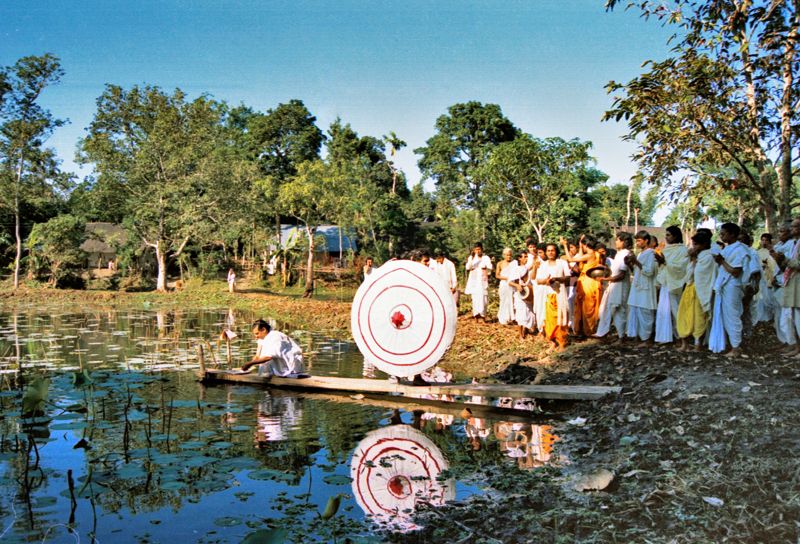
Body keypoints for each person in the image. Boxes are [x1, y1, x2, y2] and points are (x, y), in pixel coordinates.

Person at [708, 223, 747, 356]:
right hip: (724, 285)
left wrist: (721, 261)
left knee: (732, 316)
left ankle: (736, 348)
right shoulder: (728, 248)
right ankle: (731, 345)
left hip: (732, 285)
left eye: (724, 233)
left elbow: (735, 271)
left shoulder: (739, 250)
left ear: (732, 235)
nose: (721, 236)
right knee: (725, 315)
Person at [677, 231, 716, 351]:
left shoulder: (708, 257)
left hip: (701, 291)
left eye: (696, 245)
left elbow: (699, 274)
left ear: (703, 245)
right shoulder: (698, 257)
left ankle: (698, 344)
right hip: (690, 288)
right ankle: (685, 343)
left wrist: (694, 259)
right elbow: (688, 274)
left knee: (699, 317)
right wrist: (693, 259)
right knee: (684, 315)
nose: (694, 247)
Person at [653, 226, 689, 343]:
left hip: (675, 284)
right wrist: (661, 262)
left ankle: (681, 336)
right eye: (666, 235)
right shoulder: (666, 250)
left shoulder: (683, 250)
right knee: (663, 309)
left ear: (676, 236)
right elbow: (663, 267)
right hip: (665, 283)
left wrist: (665, 262)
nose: (666, 237)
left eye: (668, 235)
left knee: (676, 310)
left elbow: (681, 267)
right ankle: (665, 336)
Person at [595, 232, 633, 342]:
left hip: (620, 286)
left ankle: (622, 336)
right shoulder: (618, 254)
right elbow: (614, 272)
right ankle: (604, 333)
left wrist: (605, 279)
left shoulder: (626, 254)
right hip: (614, 285)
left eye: (617, 240)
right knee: (609, 309)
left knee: (620, 310)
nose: (616, 242)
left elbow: (621, 275)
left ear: (624, 242)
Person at [561, 235, 602, 337]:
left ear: (586, 245)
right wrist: (580, 244)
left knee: (588, 307)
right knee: (583, 306)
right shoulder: (596, 254)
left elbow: (570, 260)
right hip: (590, 281)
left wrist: (565, 246)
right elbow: (580, 257)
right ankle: (584, 329)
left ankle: (589, 330)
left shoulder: (590, 255)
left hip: (587, 282)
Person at [772, 217, 800, 356]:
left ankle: (796, 347)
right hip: (789, 282)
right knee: (790, 317)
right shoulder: (795, 243)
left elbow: (797, 264)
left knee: (795, 317)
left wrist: (785, 260)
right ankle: (793, 345)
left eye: (795, 227)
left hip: (797, 284)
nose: (791, 230)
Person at [536, 243, 571, 351]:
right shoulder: (543, 265)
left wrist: (557, 279)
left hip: (560, 295)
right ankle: (553, 342)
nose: (550, 252)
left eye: (553, 250)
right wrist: (546, 281)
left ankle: (562, 343)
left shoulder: (562, 263)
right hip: (549, 295)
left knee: (560, 319)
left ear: (556, 252)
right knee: (549, 320)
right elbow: (538, 280)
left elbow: (568, 278)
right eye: (548, 250)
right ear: (546, 252)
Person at [625, 231, 658, 345]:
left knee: (645, 313)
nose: (637, 243)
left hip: (646, 288)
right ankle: (637, 336)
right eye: (636, 241)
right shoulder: (640, 254)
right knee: (634, 311)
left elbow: (649, 271)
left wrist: (636, 261)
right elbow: (636, 270)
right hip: (637, 288)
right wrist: (630, 263)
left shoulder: (652, 253)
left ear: (646, 241)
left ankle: (647, 339)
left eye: (639, 241)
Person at [241, 319, 305, 377]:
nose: (256, 337)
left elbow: (268, 357)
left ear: (263, 330)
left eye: (257, 334)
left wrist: (250, 364)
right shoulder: (264, 337)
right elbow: (257, 355)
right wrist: (250, 363)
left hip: (291, 366)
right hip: (280, 366)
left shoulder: (275, 337)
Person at [509, 252, 535, 339]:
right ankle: (520, 334)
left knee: (529, 313)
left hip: (527, 293)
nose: (526, 258)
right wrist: (517, 286)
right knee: (521, 314)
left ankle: (526, 330)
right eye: (524, 257)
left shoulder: (526, 268)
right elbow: (510, 282)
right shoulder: (516, 269)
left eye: (527, 257)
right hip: (519, 295)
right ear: (519, 258)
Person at [465, 242, 493, 320]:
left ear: (482, 250)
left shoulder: (486, 258)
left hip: (482, 280)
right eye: (476, 249)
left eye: (479, 249)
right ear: (474, 250)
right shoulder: (471, 258)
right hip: (474, 281)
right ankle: (476, 316)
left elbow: (490, 268)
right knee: (475, 298)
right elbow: (468, 267)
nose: (478, 251)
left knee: (484, 298)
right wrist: (474, 259)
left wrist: (485, 269)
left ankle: (483, 316)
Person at [495, 248, 516, 325]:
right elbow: (497, 275)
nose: (509, 257)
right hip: (504, 284)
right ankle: (503, 318)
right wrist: (507, 278)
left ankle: (511, 318)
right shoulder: (500, 263)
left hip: (512, 284)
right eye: (507, 255)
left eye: (510, 255)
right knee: (504, 300)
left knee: (512, 300)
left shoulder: (515, 263)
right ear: (504, 255)